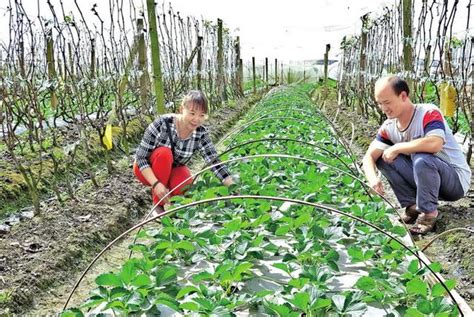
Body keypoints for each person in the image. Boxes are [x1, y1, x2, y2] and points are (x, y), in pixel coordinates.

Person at [362, 76, 471, 234]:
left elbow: (435, 144)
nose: (383, 108)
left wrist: (398, 147)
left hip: (454, 182)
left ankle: (428, 213)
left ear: (403, 96)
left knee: (422, 157)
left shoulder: (428, 112)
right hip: (426, 179)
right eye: (379, 103)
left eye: (387, 102)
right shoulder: (389, 126)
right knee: (383, 157)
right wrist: (373, 179)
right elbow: (369, 157)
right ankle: (412, 206)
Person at [134, 90, 234, 212]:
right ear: (181, 109)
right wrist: (156, 184)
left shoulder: (200, 133)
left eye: (202, 115)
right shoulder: (162, 124)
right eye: (192, 113)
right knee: (164, 153)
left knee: (186, 186)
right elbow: (140, 158)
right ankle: (158, 205)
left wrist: (232, 187)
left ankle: (173, 204)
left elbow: (214, 161)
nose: (196, 119)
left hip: (172, 170)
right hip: (147, 170)